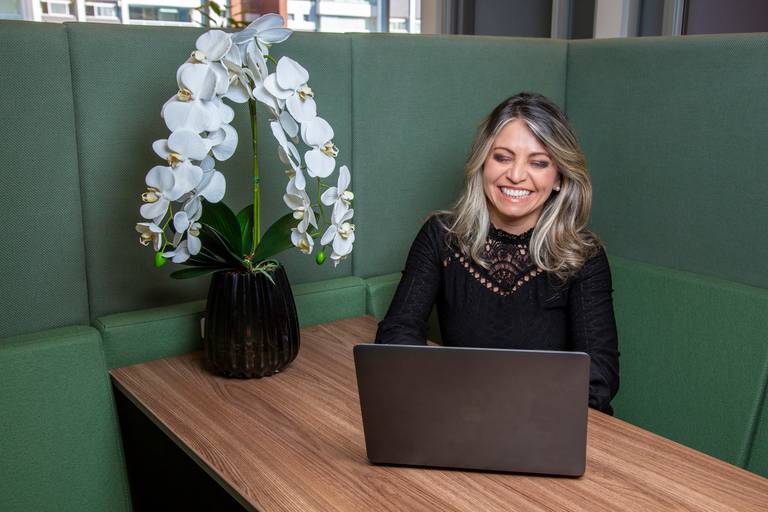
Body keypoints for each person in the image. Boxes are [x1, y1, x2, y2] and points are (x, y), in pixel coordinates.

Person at [374, 91, 620, 415]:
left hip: (548, 421)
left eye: (538, 162)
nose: (516, 175)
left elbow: (599, 378)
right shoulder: (441, 236)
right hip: (461, 413)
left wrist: (532, 420)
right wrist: (435, 399)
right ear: (482, 163)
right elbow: (398, 332)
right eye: (502, 157)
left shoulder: (584, 255)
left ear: (559, 177)